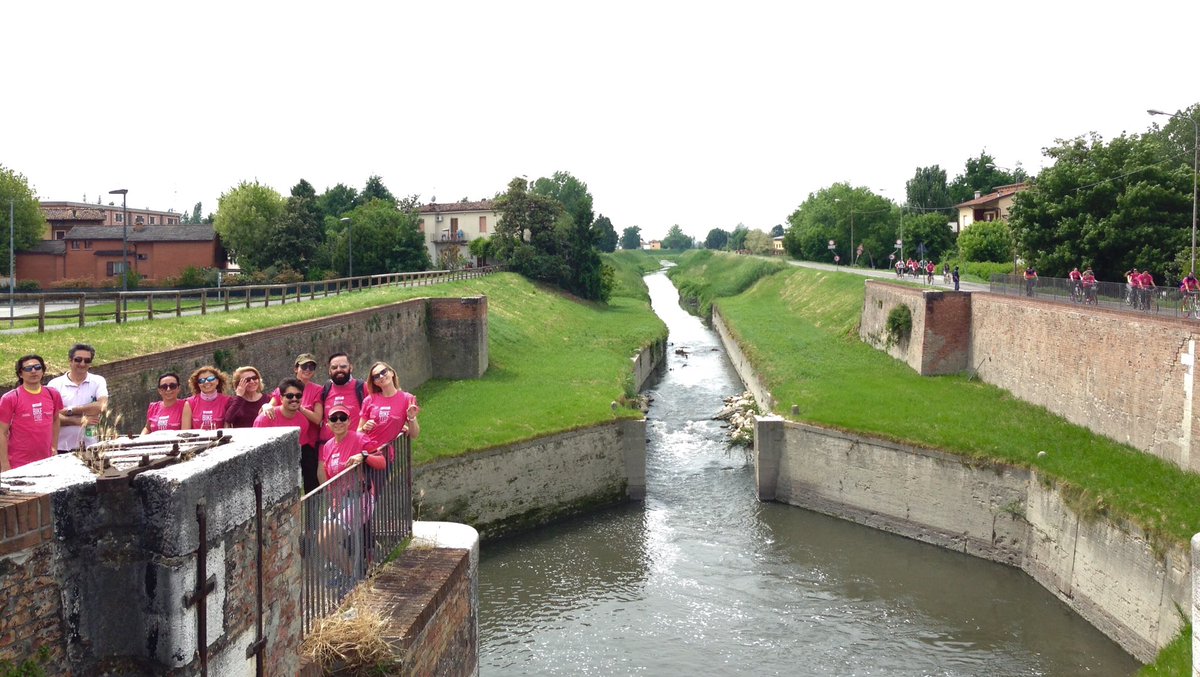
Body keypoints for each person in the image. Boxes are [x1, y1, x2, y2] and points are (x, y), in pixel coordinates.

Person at [260, 353, 326, 492]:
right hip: (284, 439)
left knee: (310, 482)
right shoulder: (283, 387)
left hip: (308, 441)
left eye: (311, 366)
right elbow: (269, 407)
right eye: (304, 366)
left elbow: (317, 419)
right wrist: (266, 406)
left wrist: (297, 406)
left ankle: (312, 510)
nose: (308, 369)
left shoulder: (317, 389)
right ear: (296, 368)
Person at [0, 355, 63, 471]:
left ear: (43, 371)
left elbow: (55, 420)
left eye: (37, 367)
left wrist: (54, 447)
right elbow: (2, 432)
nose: (33, 371)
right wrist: (4, 464)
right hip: (18, 463)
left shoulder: (52, 394)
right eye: (28, 368)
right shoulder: (11, 398)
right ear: (20, 374)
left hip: (47, 461)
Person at [48, 343, 109, 453]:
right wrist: (78, 421)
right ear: (70, 360)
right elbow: (50, 416)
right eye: (78, 360)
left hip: (90, 447)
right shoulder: (54, 384)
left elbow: (102, 406)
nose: (82, 363)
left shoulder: (98, 381)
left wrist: (69, 410)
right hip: (62, 447)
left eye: (87, 360)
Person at [359, 360, 421, 456]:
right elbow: (358, 433)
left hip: (385, 456)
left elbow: (414, 434)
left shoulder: (407, 399)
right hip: (365, 454)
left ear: (392, 373)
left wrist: (412, 418)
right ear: (375, 382)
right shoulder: (369, 400)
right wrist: (364, 427)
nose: (381, 376)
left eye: (383, 372)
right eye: (376, 376)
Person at [254, 378, 313, 461]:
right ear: (281, 398)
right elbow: (256, 450)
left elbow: (299, 450)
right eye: (289, 396)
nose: (294, 399)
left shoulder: (303, 421)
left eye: (298, 396)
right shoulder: (265, 418)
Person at [320, 353, 366, 444]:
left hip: (355, 448)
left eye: (343, 366)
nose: (339, 370)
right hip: (327, 448)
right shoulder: (325, 389)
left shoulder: (362, 388)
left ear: (351, 368)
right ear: (329, 371)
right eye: (334, 367)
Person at [182, 366, 231, 430]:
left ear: (217, 381)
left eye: (210, 379)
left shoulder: (227, 401)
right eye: (201, 380)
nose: (206, 382)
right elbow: (185, 432)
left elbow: (228, 429)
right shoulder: (190, 403)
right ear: (198, 384)